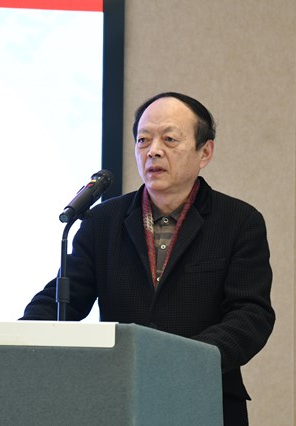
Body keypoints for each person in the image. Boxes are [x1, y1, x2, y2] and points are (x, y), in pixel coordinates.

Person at [21, 92, 275, 425]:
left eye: (169, 139)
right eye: (143, 140)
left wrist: (186, 359)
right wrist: (20, 339)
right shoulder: (102, 221)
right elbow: (65, 299)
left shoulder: (238, 222)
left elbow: (251, 315)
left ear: (205, 152)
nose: (153, 150)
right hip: (120, 399)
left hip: (205, 396)